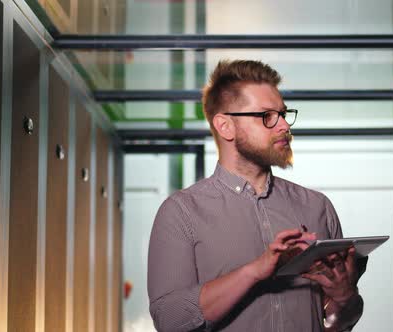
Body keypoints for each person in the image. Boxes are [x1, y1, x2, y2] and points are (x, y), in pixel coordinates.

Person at [148, 60, 366, 332]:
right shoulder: (181, 212)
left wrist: (344, 296)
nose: (284, 125)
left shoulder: (318, 207)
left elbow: (336, 323)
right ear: (225, 126)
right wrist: (255, 270)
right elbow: (169, 319)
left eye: (284, 114)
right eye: (267, 116)